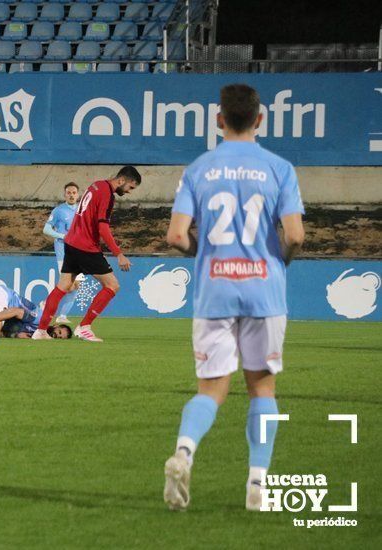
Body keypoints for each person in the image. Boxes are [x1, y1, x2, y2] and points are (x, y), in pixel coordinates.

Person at [162, 84, 305, 512]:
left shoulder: (198, 169)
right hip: (264, 290)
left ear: (220, 119)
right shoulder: (279, 167)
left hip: (214, 289)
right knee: (262, 387)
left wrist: (201, 252)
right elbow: (295, 234)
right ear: (260, 120)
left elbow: (174, 236)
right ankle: (257, 485)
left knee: (211, 388)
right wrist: (281, 260)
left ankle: (184, 453)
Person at [32, 166, 141, 342]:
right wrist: (118, 254)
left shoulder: (96, 185)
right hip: (86, 246)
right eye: (130, 187)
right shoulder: (107, 194)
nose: (129, 192)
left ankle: (42, 330)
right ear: (122, 180)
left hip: (72, 243)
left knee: (64, 285)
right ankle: (84, 327)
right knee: (112, 285)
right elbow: (103, 227)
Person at [43, 182, 80, 324]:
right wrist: (63, 236)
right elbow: (46, 230)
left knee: (76, 286)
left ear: (78, 194)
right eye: (69, 192)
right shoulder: (58, 210)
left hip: (79, 253)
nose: (71, 195)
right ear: (65, 194)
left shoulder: (81, 210)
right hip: (63, 252)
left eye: (74, 192)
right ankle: (45, 305)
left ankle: (62, 316)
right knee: (68, 285)